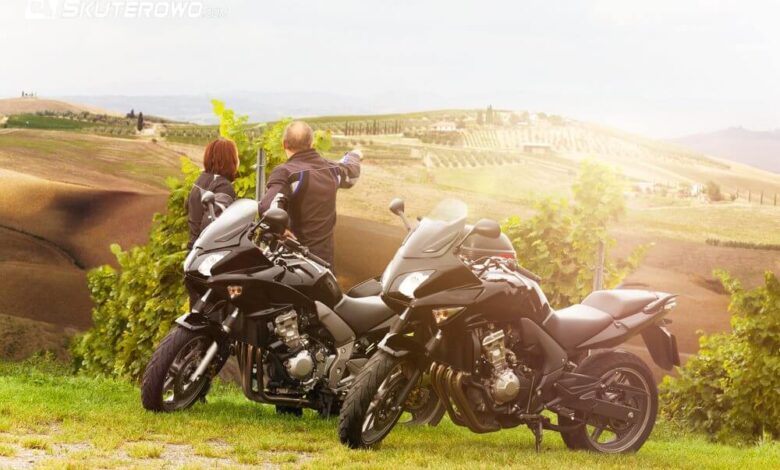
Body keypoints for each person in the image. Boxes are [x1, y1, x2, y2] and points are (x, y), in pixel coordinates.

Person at [258, 121, 362, 269]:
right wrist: (354, 154)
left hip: (293, 263)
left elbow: (268, 207)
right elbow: (352, 173)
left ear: (284, 144)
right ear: (312, 143)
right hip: (324, 263)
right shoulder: (332, 169)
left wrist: (281, 230)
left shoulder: (286, 172)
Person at [186, 138, 239, 249]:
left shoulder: (200, 180)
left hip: (194, 248)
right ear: (231, 160)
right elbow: (213, 226)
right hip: (209, 251)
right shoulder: (223, 186)